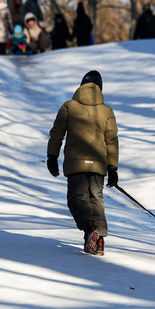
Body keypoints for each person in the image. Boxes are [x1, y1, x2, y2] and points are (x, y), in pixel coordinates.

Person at [47, 70, 118, 256]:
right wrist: (113, 168)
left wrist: (52, 157)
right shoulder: (107, 111)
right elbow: (112, 141)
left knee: (76, 199)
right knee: (96, 199)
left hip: (76, 162)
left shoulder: (68, 106)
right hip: (99, 164)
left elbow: (57, 133)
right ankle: (99, 242)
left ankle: (89, 228)